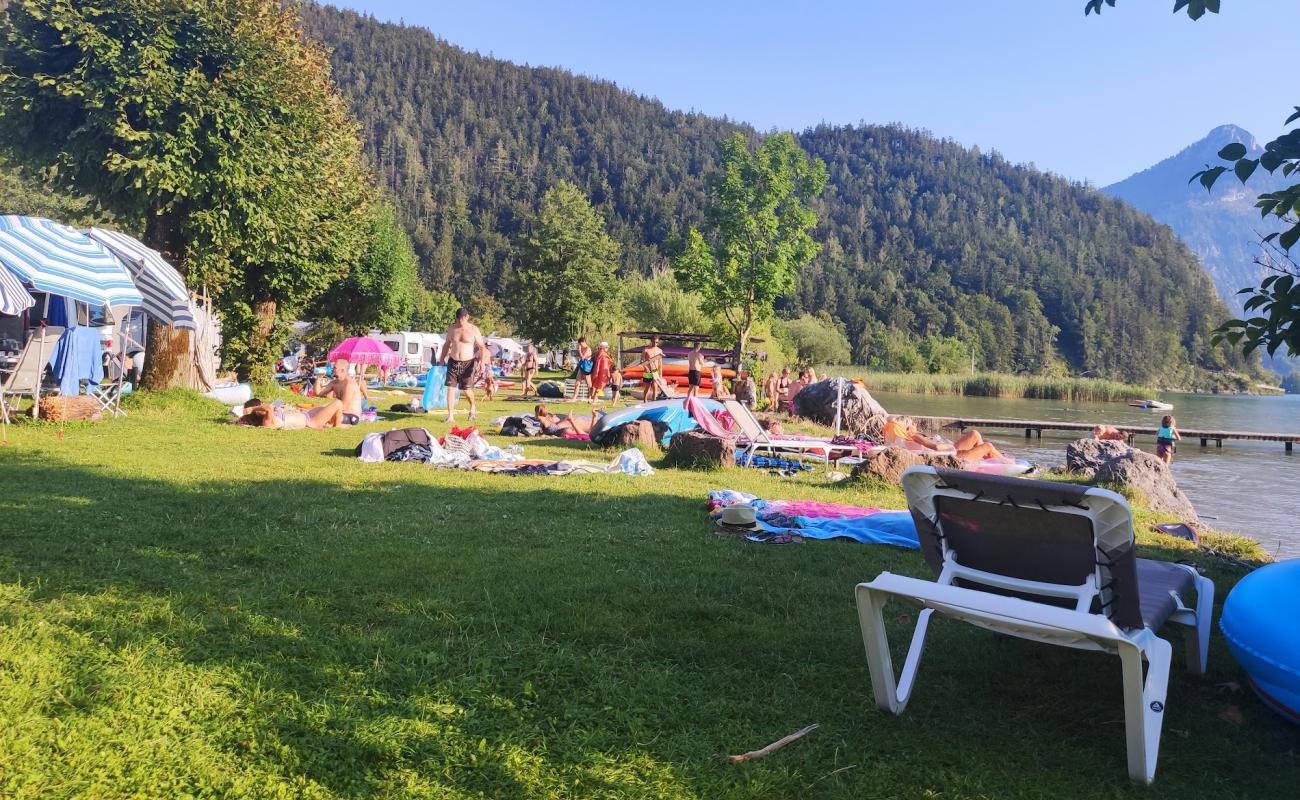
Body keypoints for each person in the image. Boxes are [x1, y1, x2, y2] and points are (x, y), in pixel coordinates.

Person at [883, 415, 1006, 462]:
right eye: (913, 424)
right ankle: (1007, 463)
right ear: (908, 429)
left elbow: (890, 419)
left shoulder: (901, 439)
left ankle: (986, 458)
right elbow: (936, 447)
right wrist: (949, 445)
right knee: (988, 446)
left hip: (948, 454)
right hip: (951, 458)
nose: (915, 425)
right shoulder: (915, 437)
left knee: (974, 434)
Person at [440, 307, 488, 424]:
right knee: (450, 388)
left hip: (468, 363)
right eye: (459, 319)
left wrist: (482, 363)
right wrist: (441, 358)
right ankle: (450, 416)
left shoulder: (473, 329)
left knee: (466, 390)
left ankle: (472, 407)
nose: (461, 321)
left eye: (463, 318)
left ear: (467, 317)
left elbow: (482, 347)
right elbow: (447, 345)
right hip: (453, 361)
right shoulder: (452, 328)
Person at [315, 357, 368, 425]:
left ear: (342, 370)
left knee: (321, 415)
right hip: (339, 412)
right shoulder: (334, 383)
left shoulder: (349, 384)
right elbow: (318, 393)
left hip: (350, 416)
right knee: (316, 412)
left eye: (335, 367)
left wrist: (321, 409)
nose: (332, 369)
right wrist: (318, 378)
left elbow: (344, 406)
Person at [237, 397, 344, 429]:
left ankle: (331, 423)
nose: (263, 406)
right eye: (260, 405)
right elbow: (269, 407)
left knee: (327, 405)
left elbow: (279, 400)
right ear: (256, 411)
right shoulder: (267, 421)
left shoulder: (268, 414)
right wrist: (253, 409)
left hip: (306, 414)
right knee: (338, 403)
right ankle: (338, 427)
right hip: (310, 422)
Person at [534, 403, 602, 436]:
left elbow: (590, 434)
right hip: (560, 429)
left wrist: (594, 417)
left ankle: (570, 420)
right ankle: (570, 420)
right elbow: (591, 433)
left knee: (586, 434)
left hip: (561, 429)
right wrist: (594, 417)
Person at [640, 335, 665, 402]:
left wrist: (660, 374)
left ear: (658, 342)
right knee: (647, 388)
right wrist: (645, 367)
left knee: (655, 387)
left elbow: (660, 363)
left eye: (656, 342)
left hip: (655, 371)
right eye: (654, 342)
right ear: (651, 341)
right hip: (647, 371)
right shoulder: (646, 350)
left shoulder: (660, 351)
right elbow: (641, 361)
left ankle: (654, 402)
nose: (655, 343)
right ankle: (645, 401)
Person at [570, 336, 594, 402]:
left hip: (586, 368)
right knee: (577, 383)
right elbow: (581, 357)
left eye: (580, 344)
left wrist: (580, 350)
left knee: (589, 384)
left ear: (584, 342)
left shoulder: (588, 349)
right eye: (579, 344)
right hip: (582, 366)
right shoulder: (581, 347)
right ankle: (574, 397)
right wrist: (580, 350)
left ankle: (590, 397)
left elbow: (583, 357)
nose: (580, 345)